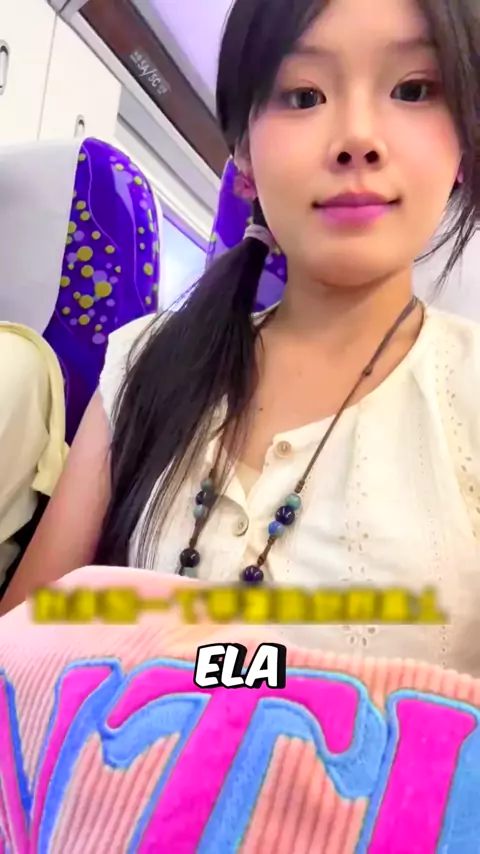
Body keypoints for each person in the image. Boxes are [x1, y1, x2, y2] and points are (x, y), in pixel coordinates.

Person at [3, 0, 480, 674]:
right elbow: (25, 657)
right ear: (244, 158)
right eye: (304, 95)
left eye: (412, 90)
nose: (358, 138)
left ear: (463, 144)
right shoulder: (145, 361)